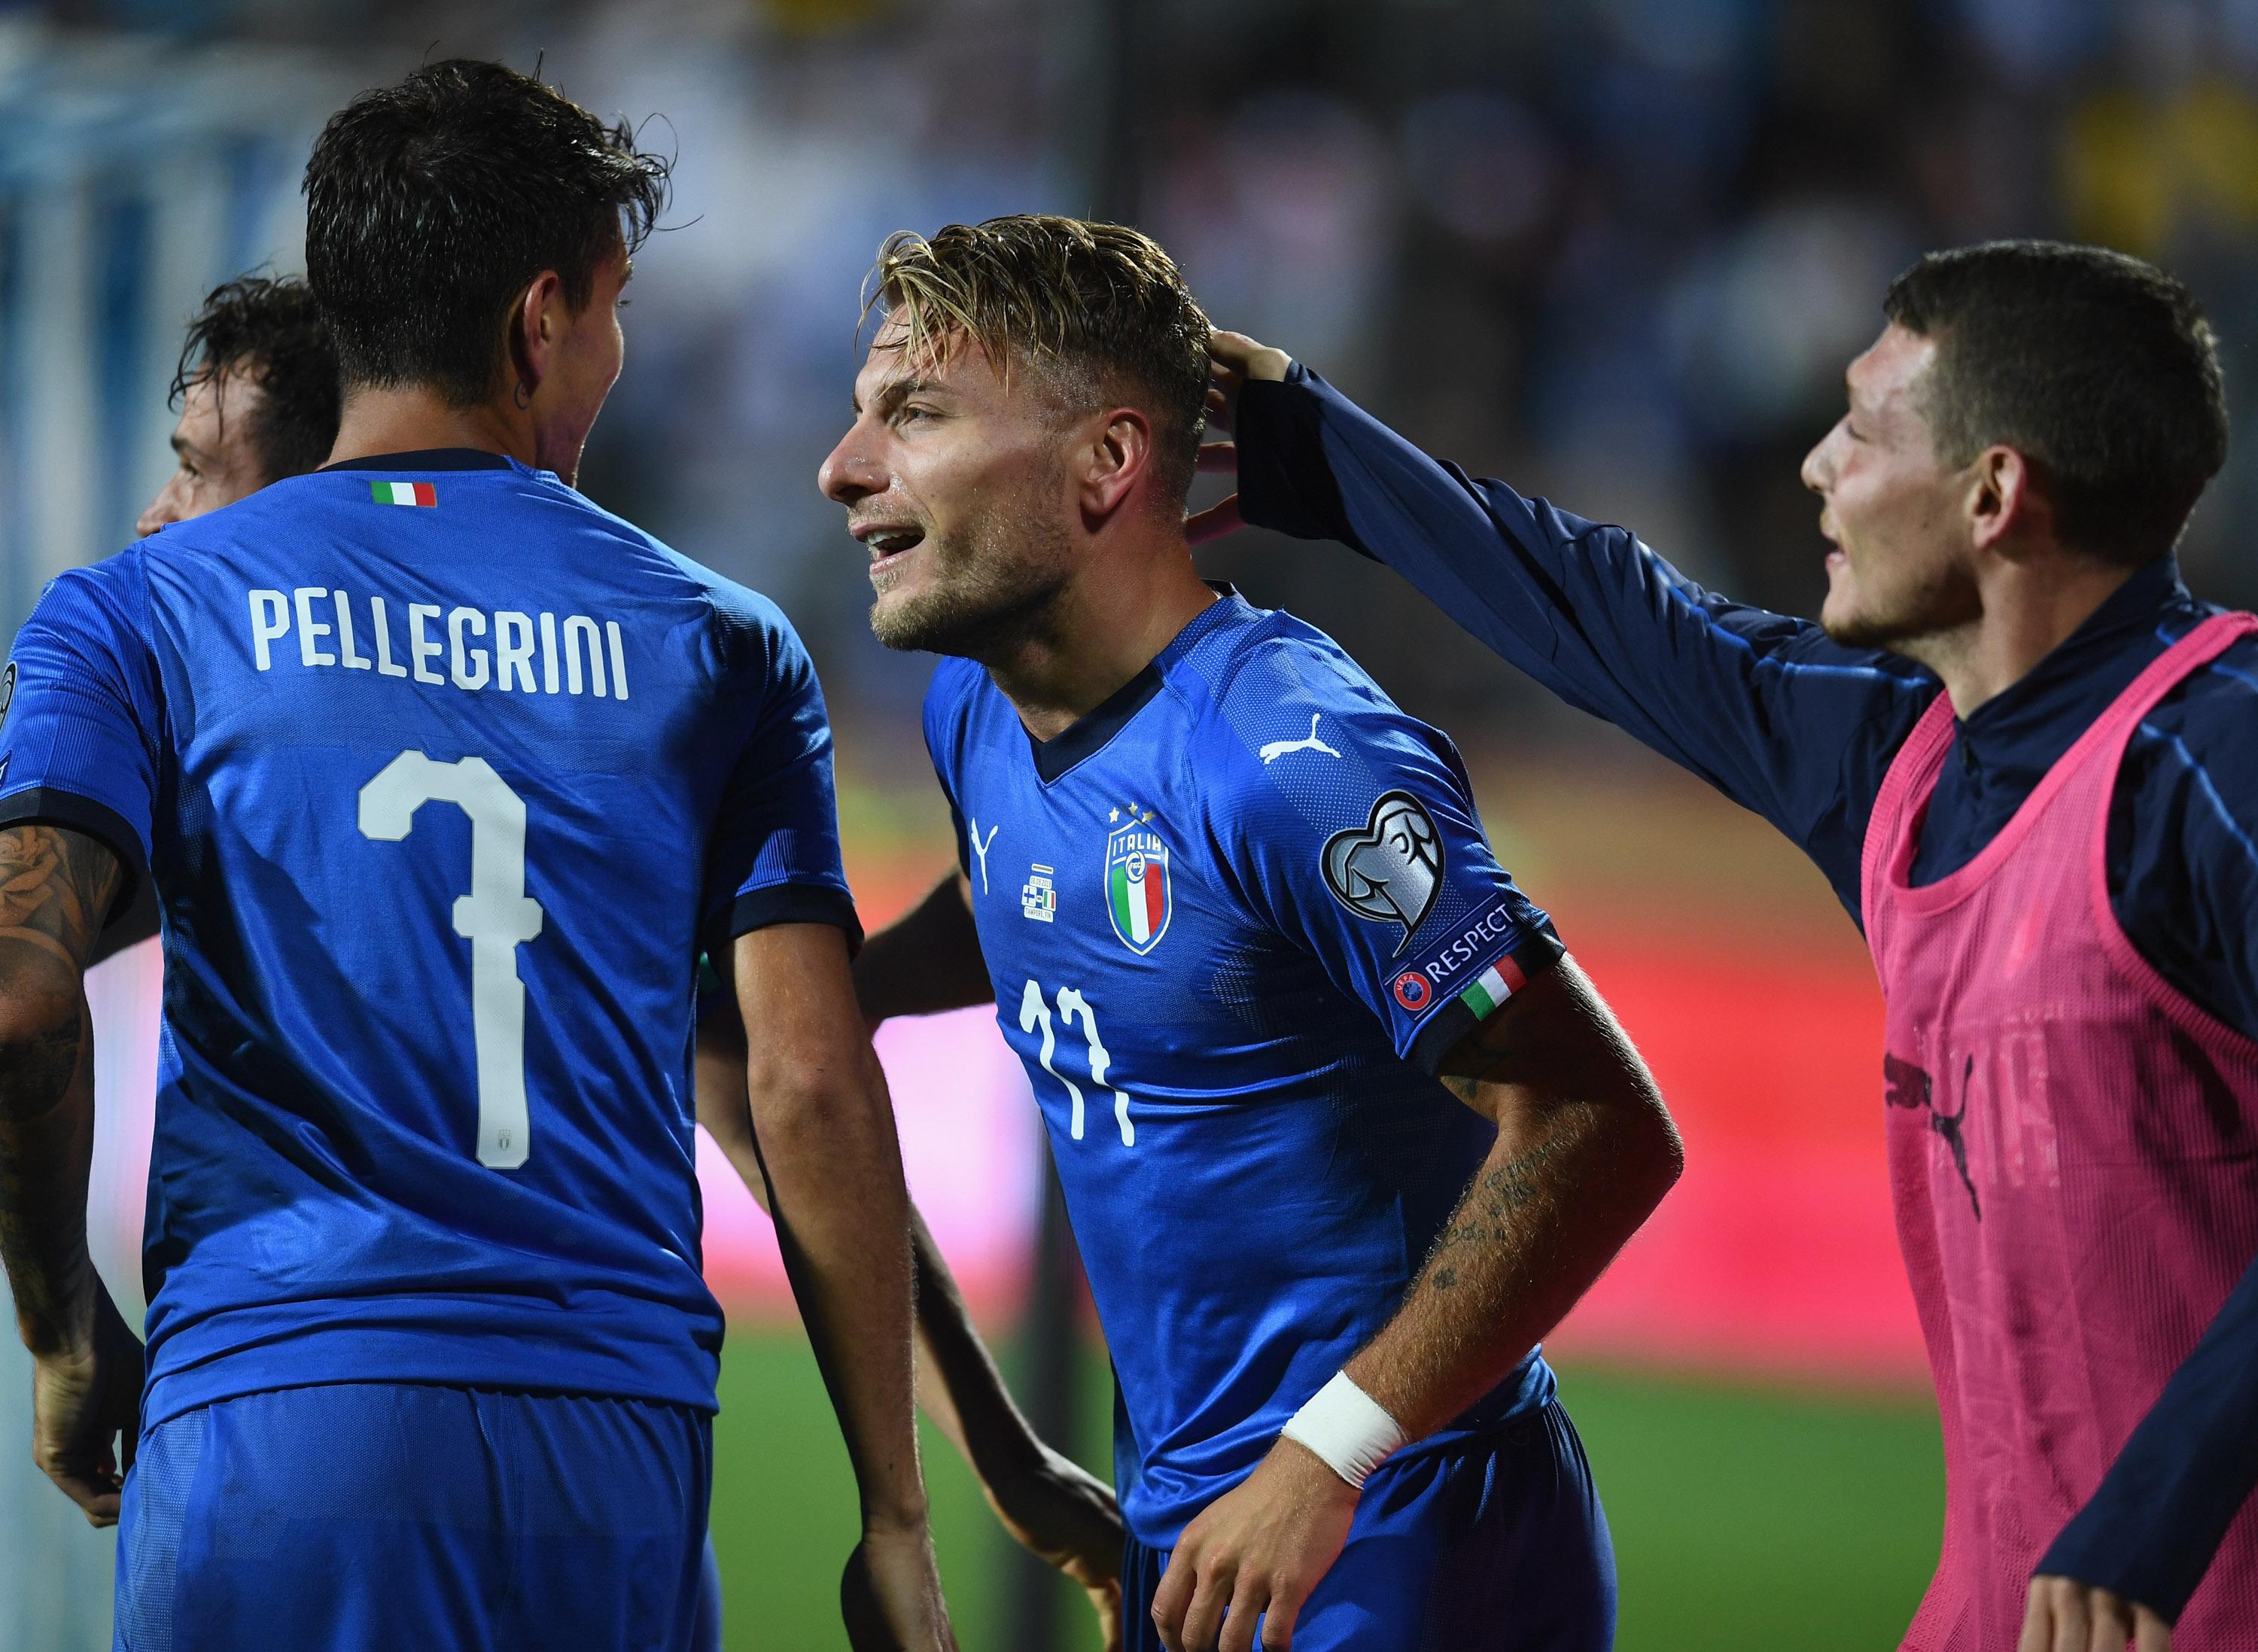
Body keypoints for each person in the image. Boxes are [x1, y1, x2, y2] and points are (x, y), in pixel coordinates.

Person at [0, 61, 952, 1650]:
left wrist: (69, 1336)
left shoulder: (140, 610)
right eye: (614, 308)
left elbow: (22, 1005)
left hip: (278, 1415)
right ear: (539, 321)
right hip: (612, 1433)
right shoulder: (721, 644)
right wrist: (895, 1512)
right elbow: (807, 1085)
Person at [1201, 240, 2258, 1652]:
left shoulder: (2218, 753)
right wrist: (1302, 441)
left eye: (1865, 431)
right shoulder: (1902, 753)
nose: (1815, 466)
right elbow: (1618, 614)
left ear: (1997, 494)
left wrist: (2151, 1515)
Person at [812, 214, 1684, 1652]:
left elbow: (1597, 1121)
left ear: (1110, 462)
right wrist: (849, 990)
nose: (844, 470)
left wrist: (1324, 1456)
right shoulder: (979, 704)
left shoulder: (1295, 759)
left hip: (1397, 1538)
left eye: (915, 415)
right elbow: (1042, 896)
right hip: (1198, 1537)